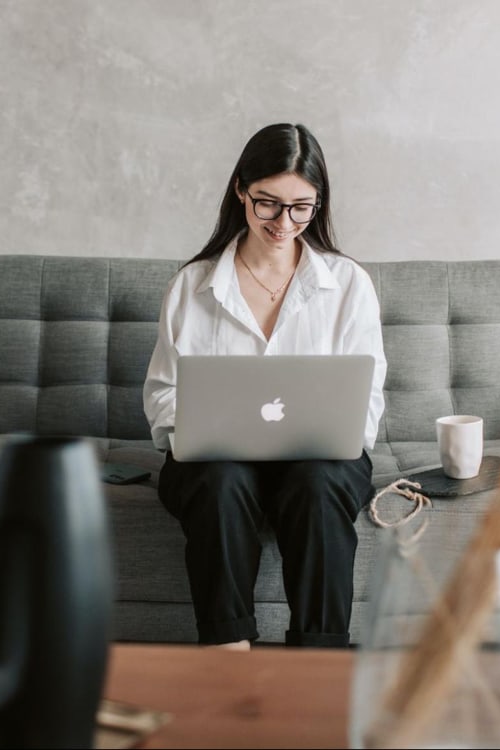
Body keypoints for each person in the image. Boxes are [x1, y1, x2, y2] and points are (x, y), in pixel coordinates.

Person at [143, 123, 387, 650]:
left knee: (319, 485)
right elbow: (163, 394)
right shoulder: (192, 286)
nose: (284, 222)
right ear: (240, 190)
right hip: (216, 463)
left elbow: (364, 400)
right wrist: (199, 429)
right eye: (269, 204)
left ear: (318, 203)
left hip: (320, 461)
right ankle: (228, 652)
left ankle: (319, 659)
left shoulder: (348, 285)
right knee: (220, 483)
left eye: (302, 207)